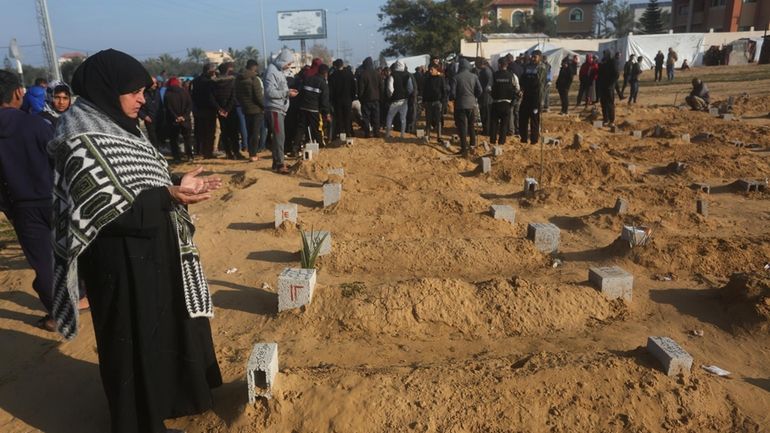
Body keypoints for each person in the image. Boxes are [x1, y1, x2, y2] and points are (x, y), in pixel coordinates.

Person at [48, 49, 223, 433]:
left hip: (152, 251)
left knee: (158, 333)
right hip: (119, 262)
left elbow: (141, 176)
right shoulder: (78, 133)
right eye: (134, 91)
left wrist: (175, 182)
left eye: (144, 90)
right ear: (108, 89)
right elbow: (101, 204)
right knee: (130, 344)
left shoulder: (124, 125)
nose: (143, 98)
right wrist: (168, 196)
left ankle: (163, 403)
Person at [0, 71, 58, 331]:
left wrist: (8, 208)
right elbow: (61, 161)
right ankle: (84, 298)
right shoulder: (35, 124)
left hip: (22, 207)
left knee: (43, 263)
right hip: (56, 200)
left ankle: (58, 315)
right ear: (18, 93)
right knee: (72, 253)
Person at [264, 48, 297, 174]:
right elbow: (269, 92)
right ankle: (279, 164)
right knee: (279, 136)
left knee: (280, 136)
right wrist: (287, 93)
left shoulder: (278, 71)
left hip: (279, 108)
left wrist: (287, 93)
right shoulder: (271, 71)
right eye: (288, 63)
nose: (288, 66)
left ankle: (277, 162)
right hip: (274, 108)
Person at [293, 63, 331, 150]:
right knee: (317, 128)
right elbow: (324, 101)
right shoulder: (323, 84)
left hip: (303, 107)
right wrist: (327, 113)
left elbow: (300, 92)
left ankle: (295, 147)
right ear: (325, 73)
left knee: (301, 128)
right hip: (314, 109)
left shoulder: (308, 79)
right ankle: (320, 145)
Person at [235, 59, 265, 162]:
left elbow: (237, 95)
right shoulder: (254, 79)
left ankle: (250, 153)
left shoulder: (238, 80)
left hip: (245, 109)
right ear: (254, 67)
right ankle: (253, 154)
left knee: (249, 132)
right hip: (256, 109)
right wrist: (264, 106)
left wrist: (244, 104)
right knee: (255, 133)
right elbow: (258, 97)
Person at [451, 58, 482, 156]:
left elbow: (452, 93)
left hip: (460, 105)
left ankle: (464, 148)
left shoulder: (456, 77)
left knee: (462, 127)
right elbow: (480, 90)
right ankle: (472, 145)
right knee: (471, 126)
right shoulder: (474, 76)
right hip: (472, 104)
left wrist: (456, 98)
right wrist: (473, 97)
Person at [212, 62, 242, 160]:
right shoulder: (232, 81)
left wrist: (220, 109)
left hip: (220, 111)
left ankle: (228, 153)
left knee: (224, 132)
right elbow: (233, 96)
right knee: (234, 132)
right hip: (231, 110)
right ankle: (236, 152)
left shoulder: (213, 83)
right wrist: (228, 109)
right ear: (228, 70)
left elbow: (212, 98)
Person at [489, 57, 520, 145]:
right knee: (504, 124)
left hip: (496, 102)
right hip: (507, 103)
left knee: (494, 123)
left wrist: (492, 95)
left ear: (499, 64)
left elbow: (488, 88)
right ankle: (501, 142)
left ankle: (492, 141)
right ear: (507, 65)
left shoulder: (494, 75)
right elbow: (517, 89)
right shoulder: (512, 75)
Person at [164, 77, 194, 162]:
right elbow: (189, 105)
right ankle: (189, 155)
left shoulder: (168, 93)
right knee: (187, 138)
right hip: (186, 120)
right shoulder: (185, 92)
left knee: (174, 139)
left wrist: (176, 117)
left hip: (173, 120)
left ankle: (177, 157)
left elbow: (168, 107)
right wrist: (184, 116)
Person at [191, 63, 218, 158]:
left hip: (198, 109)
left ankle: (199, 151)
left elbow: (192, 95)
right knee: (209, 133)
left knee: (199, 132)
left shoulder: (195, 81)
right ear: (209, 71)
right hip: (209, 109)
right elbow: (212, 96)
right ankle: (208, 152)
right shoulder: (209, 82)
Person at [519, 50, 546, 144]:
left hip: (536, 97)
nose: (533, 58)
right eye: (532, 56)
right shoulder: (527, 67)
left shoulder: (541, 67)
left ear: (540, 57)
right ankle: (523, 138)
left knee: (534, 119)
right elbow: (522, 79)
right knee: (523, 116)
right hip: (526, 95)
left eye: (535, 57)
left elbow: (540, 81)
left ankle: (534, 139)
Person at [328, 59, 356, 140]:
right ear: (342, 65)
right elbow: (354, 86)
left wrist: (332, 100)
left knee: (339, 117)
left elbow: (331, 89)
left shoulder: (333, 75)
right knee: (348, 117)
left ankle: (340, 134)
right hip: (348, 99)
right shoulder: (349, 73)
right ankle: (348, 133)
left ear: (335, 66)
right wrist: (353, 97)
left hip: (337, 100)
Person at [385, 60, 413, 139]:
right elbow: (410, 88)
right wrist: (406, 94)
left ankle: (387, 134)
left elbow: (390, 89)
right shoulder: (407, 75)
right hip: (404, 100)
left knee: (390, 116)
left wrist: (390, 96)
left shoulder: (392, 75)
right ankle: (402, 135)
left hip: (395, 100)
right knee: (403, 118)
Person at [357, 57, 382, 138]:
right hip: (376, 99)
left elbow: (361, 89)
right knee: (376, 116)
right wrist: (380, 97)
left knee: (366, 117)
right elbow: (381, 87)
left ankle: (367, 133)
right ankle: (376, 133)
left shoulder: (363, 75)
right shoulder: (377, 74)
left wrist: (360, 99)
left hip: (366, 100)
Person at [421, 63, 446, 143]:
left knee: (438, 120)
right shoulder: (427, 79)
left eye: (432, 69)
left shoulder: (441, 78)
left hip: (437, 102)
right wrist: (424, 101)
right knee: (428, 120)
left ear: (436, 70)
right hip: (428, 102)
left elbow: (444, 91)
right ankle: (427, 135)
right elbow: (424, 91)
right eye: (429, 69)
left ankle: (439, 137)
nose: (430, 71)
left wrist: (443, 102)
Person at [597, 50, 619, 127]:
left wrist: (611, 84)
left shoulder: (613, 61)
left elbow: (616, 74)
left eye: (605, 54)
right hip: (602, 86)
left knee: (610, 104)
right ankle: (605, 119)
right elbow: (599, 73)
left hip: (609, 86)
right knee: (603, 103)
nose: (604, 56)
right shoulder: (603, 62)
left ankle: (611, 120)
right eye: (604, 54)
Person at [139, 77, 162, 149]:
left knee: (159, 137)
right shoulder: (142, 94)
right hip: (149, 119)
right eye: (154, 83)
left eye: (156, 83)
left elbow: (161, 105)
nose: (155, 85)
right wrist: (144, 116)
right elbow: (138, 108)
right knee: (153, 138)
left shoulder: (158, 92)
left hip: (159, 119)